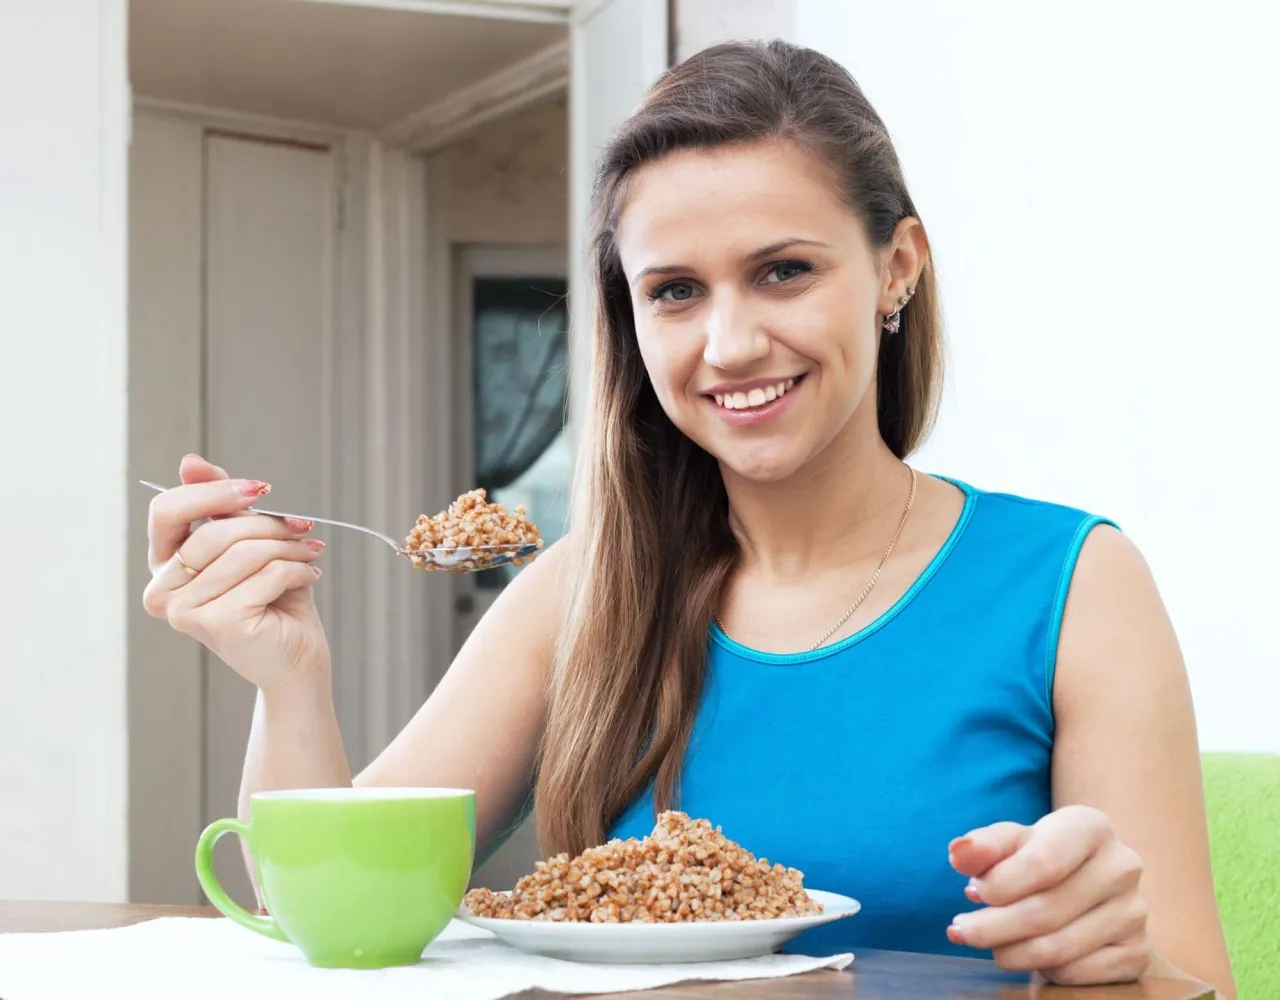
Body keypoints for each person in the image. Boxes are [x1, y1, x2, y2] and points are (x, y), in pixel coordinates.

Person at [142, 40, 1234, 995]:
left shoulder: (1071, 582)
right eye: (673, 290)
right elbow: (327, 915)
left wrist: (1113, 946)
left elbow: (1191, 985)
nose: (727, 344)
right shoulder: (579, 590)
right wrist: (288, 675)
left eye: (781, 271)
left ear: (892, 268)